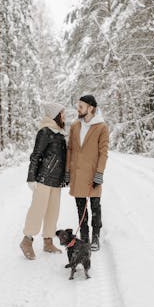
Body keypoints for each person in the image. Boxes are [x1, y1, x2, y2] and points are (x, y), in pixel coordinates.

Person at [20, 102, 67, 260]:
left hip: (56, 180)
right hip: (44, 178)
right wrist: (31, 177)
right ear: (55, 115)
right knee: (37, 210)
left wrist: (65, 177)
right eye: (62, 113)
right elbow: (36, 155)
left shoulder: (61, 134)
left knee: (53, 212)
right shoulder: (45, 131)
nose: (64, 116)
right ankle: (27, 241)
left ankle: (48, 242)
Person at [65, 95, 108, 251]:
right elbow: (70, 149)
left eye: (81, 106)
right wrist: (67, 171)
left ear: (91, 108)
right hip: (77, 174)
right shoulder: (75, 125)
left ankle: (95, 236)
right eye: (78, 105)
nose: (78, 108)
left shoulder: (101, 127)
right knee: (80, 208)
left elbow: (103, 152)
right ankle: (85, 237)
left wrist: (99, 173)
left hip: (92, 174)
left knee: (95, 207)